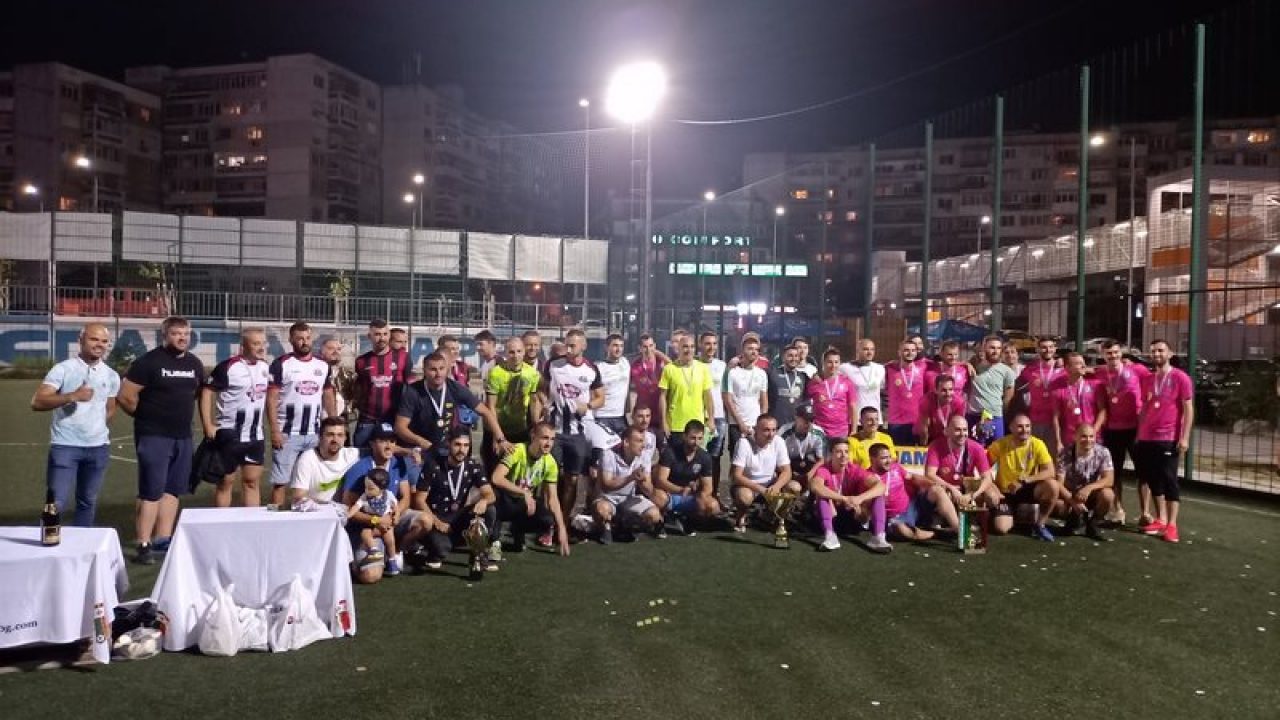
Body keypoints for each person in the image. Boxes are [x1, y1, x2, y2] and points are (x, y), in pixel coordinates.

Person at [117, 316, 205, 565]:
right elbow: (125, 396)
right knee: (151, 491)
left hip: (182, 436)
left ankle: (163, 539)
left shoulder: (194, 363)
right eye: (176, 333)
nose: (182, 338)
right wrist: (146, 417)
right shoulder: (148, 362)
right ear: (164, 335)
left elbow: (196, 393)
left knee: (173, 490)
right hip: (154, 435)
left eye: (185, 334)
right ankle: (143, 544)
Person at [31, 323, 119, 527]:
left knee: (87, 501)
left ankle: (83, 542)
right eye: (94, 339)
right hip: (65, 446)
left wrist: (95, 428)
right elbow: (37, 402)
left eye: (104, 341)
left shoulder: (111, 375)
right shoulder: (63, 369)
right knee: (56, 503)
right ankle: (49, 541)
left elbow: (110, 408)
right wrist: (72, 396)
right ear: (81, 340)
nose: (99, 345)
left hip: (98, 448)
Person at [339, 422, 431, 580]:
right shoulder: (359, 469)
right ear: (372, 444)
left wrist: (396, 513)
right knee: (370, 576)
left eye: (392, 441)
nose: (389, 446)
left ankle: (396, 552)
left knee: (426, 520)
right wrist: (376, 520)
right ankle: (358, 559)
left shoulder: (398, 463)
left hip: (390, 518)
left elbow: (406, 497)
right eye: (382, 441)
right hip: (367, 527)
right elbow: (347, 509)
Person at [396, 351, 509, 472]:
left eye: (441, 369)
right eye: (433, 369)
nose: (438, 374)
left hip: (445, 448)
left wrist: (500, 439)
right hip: (418, 449)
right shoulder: (412, 391)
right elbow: (400, 428)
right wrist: (421, 442)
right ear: (424, 370)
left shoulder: (455, 388)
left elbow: (486, 412)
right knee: (416, 481)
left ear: (447, 369)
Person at [266, 322, 336, 507]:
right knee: (280, 482)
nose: (305, 342)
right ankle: (275, 517)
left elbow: (328, 394)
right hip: (287, 434)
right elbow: (271, 399)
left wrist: (334, 422)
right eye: (300, 338)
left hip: (314, 433)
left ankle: (309, 516)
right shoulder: (281, 364)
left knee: (313, 480)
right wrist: (274, 430)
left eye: (307, 338)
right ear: (291, 340)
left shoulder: (322, 365)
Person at [200, 328, 269, 507]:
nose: (261, 347)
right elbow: (206, 392)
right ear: (243, 346)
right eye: (256, 343)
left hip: (255, 436)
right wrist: (208, 425)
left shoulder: (265, 367)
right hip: (229, 434)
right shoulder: (228, 367)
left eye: (263, 343)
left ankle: (251, 522)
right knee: (225, 482)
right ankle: (222, 521)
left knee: (252, 482)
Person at [412, 429, 498, 572]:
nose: (462, 450)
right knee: (442, 549)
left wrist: (484, 501)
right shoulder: (433, 465)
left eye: (466, 445)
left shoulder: (473, 466)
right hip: (436, 518)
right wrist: (436, 521)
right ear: (448, 444)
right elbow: (419, 500)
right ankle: (431, 551)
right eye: (457, 444)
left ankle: (478, 554)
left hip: (457, 517)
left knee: (490, 509)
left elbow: (490, 494)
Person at [542, 328, 605, 522]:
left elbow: (601, 397)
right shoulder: (553, 364)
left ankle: (564, 520)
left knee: (572, 479)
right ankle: (548, 522)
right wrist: (544, 403)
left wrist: (588, 406)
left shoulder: (591, 369)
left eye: (572, 346)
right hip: (554, 431)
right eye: (566, 345)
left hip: (577, 433)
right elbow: (541, 388)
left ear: (583, 346)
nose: (568, 349)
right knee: (549, 477)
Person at [1134, 339, 1194, 543]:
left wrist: (1185, 437)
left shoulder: (1180, 377)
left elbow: (1188, 408)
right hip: (1147, 437)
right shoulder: (1148, 379)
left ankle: (1172, 526)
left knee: (1169, 480)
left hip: (1168, 437)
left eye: (1160, 351)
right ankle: (1161, 519)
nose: (1157, 354)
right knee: (1153, 479)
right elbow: (1145, 407)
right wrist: (1139, 433)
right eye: (1153, 351)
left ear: (1170, 353)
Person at [490, 423, 570, 556]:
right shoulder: (517, 450)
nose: (549, 443)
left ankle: (517, 530)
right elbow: (496, 478)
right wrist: (523, 492)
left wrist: (562, 529)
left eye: (552, 439)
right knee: (493, 501)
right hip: (505, 498)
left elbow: (553, 499)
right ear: (533, 436)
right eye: (544, 438)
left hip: (523, 502)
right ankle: (494, 540)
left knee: (547, 520)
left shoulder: (550, 462)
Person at [1095, 340, 1146, 524]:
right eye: (1109, 353)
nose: (1113, 356)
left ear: (1121, 353)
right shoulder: (1100, 372)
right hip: (1112, 430)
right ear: (1102, 355)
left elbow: (1153, 383)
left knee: (1143, 472)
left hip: (1135, 429)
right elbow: (1082, 371)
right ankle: (1118, 510)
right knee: (1114, 473)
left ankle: (1145, 512)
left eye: (1116, 352)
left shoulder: (1138, 370)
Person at [985, 414, 1059, 540]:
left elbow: (1050, 471)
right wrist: (993, 488)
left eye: (1027, 426)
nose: (1024, 430)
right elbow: (984, 468)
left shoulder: (1038, 444)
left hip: (1028, 489)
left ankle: (1040, 524)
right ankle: (1000, 514)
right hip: (1006, 493)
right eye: (1020, 426)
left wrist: (1025, 480)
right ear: (1011, 428)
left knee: (1052, 486)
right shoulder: (1000, 445)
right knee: (1001, 528)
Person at [730, 414, 801, 532]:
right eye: (766, 430)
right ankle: (741, 516)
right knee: (745, 497)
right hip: (747, 486)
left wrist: (776, 486)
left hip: (770, 485)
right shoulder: (743, 443)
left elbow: (787, 471)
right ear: (756, 429)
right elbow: (736, 475)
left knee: (794, 487)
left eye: (774, 430)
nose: (771, 434)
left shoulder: (778, 441)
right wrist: (760, 489)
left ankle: (768, 515)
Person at [593, 426, 663, 544]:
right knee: (602, 510)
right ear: (626, 442)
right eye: (639, 441)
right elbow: (607, 485)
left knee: (655, 515)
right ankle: (608, 527)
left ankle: (623, 524)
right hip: (607, 498)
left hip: (628, 498)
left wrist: (642, 482)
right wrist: (630, 477)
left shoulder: (644, 456)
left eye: (643, 441)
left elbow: (650, 491)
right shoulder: (608, 454)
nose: (643, 445)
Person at [922, 414, 990, 534]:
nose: (962, 434)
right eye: (957, 430)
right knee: (937, 490)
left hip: (966, 490)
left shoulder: (976, 448)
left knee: (991, 493)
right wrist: (951, 488)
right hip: (944, 490)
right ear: (947, 431)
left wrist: (972, 495)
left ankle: (978, 518)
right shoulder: (936, 446)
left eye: (965, 430)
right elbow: (929, 474)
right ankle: (955, 526)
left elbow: (987, 478)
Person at [352, 318, 413, 451]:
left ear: (389, 335)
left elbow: (410, 386)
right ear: (369, 336)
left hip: (392, 419)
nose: (382, 338)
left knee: (392, 456)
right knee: (360, 454)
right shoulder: (361, 361)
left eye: (385, 334)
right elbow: (359, 389)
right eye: (377, 334)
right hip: (367, 419)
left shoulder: (403, 357)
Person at [652, 420, 720, 535]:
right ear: (684, 436)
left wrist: (701, 496)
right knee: (657, 496)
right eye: (692, 438)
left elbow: (708, 487)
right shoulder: (670, 452)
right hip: (670, 494)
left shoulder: (705, 457)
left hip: (690, 496)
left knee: (713, 506)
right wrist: (680, 490)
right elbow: (660, 480)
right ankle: (662, 520)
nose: (696, 442)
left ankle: (689, 520)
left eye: (700, 438)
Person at [484, 337, 542, 472]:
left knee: (518, 470)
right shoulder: (495, 373)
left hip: (520, 429)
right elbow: (491, 406)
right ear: (505, 353)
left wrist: (536, 427)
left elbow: (534, 401)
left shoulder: (532, 373)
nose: (515, 356)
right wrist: (497, 437)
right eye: (511, 352)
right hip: (498, 428)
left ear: (524, 352)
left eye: (519, 351)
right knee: (494, 470)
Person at [1056, 424, 1114, 541]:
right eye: (1084, 436)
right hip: (1070, 494)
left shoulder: (1103, 452)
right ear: (1075, 437)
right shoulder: (1065, 453)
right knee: (1057, 505)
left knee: (1108, 495)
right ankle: (1073, 518)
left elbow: (1109, 479)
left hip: (1091, 493)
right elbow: (1059, 483)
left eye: (1091, 436)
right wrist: (1073, 502)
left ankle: (1093, 523)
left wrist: (1089, 488)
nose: (1088, 440)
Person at [659, 333, 715, 450]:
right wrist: (664, 422)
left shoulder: (703, 368)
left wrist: (711, 419)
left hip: (697, 425)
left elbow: (708, 396)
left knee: (696, 459)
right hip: (676, 425)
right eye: (685, 346)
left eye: (692, 347)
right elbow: (662, 397)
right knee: (676, 459)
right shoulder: (669, 369)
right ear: (678, 348)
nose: (689, 350)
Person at [722, 335, 769, 459]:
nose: (754, 352)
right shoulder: (731, 372)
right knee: (737, 461)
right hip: (736, 425)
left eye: (756, 349)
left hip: (756, 425)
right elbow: (728, 400)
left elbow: (764, 401)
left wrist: (762, 423)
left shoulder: (762, 374)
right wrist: (740, 423)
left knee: (756, 460)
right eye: (750, 348)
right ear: (742, 351)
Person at [1052, 352, 1107, 457]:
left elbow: (1102, 410)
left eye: (1083, 363)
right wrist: (1058, 441)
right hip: (1070, 438)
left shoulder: (1095, 385)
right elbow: (1056, 417)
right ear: (1067, 367)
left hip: (1093, 437)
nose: (1083, 366)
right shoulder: (1059, 390)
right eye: (1078, 363)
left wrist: (1093, 431)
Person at [1018, 337, 1066, 456]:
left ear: (1055, 349)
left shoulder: (1064, 370)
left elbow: (1082, 370)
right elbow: (1015, 383)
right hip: (1035, 421)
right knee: (1034, 456)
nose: (1048, 350)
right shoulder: (1030, 369)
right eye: (1044, 347)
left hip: (1056, 422)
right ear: (1037, 350)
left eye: (1051, 347)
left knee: (1054, 456)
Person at [967, 336, 1016, 445]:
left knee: (996, 449)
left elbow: (1008, 397)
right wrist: (967, 364)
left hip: (995, 416)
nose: (995, 351)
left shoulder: (1007, 371)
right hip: (975, 416)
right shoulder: (973, 367)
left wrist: (999, 409)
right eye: (992, 348)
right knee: (975, 450)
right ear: (984, 348)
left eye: (998, 348)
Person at [698, 331, 729, 493]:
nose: (711, 347)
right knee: (698, 457)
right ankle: (699, 494)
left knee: (715, 458)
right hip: (700, 418)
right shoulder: (694, 365)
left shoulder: (722, 366)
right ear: (700, 345)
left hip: (719, 418)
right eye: (707, 343)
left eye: (714, 344)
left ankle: (714, 494)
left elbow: (726, 393)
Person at [351, 469, 398, 573]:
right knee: (365, 533)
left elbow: (395, 505)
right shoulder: (364, 497)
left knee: (390, 539)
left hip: (386, 523)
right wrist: (349, 514)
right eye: (366, 487)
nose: (367, 491)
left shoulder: (388, 495)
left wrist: (396, 515)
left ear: (382, 488)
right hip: (370, 523)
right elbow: (356, 506)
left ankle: (392, 559)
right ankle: (374, 550)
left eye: (371, 488)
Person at [806, 348, 857, 439]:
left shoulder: (847, 382)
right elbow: (805, 403)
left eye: (836, 362)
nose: (833, 365)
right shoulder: (814, 382)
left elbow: (852, 406)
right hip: (819, 431)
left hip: (841, 431)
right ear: (823, 363)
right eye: (830, 362)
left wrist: (854, 430)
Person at [884, 339, 925, 446]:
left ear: (916, 352)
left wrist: (964, 364)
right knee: (896, 454)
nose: (910, 353)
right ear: (899, 352)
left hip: (917, 422)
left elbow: (945, 362)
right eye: (906, 350)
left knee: (916, 455)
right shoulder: (889, 369)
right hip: (896, 422)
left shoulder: (923, 367)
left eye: (913, 350)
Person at [595, 333, 632, 436]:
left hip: (620, 417)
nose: (618, 349)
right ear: (606, 347)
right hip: (602, 416)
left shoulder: (625, 363)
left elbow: (648, 353)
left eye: (621, 346)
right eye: (615, 345)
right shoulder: (599, 367)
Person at [629, 333, 666, 434]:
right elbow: (629, 390)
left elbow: (675, 369)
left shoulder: (662, 362)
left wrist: (660, 354)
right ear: (639, 348)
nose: (648, 349)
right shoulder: (634, 366)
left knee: (661, 441)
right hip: (643, 415)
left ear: (655, 346)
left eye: (651, 346)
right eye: (645, 347)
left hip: (660, 413)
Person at [916, 374, 966, 446]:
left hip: (949, 437)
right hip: (930, 437)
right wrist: (923, 448)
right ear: (936, 390)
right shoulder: (926, 401)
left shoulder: (959, 403)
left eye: (951, 389)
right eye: (944, 390)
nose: (948, 393)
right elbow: (924, 430)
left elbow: (957, 427)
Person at [780, 405, 827, 480]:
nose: (809, 423)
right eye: (805, 419)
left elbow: (821, 460)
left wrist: (809, 474)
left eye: (811, 420)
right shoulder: (783, 433)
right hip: (789, 467)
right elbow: (778, 460)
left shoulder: (819, 433)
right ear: (796, 417)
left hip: (810, 467)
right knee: (794, 486)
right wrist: (790, 474)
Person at [767, 345, 810, 428]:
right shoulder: (772, 373)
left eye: (796, 356)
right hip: (776, 425)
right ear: (783, 358)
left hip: (795, 426)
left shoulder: (804, 377)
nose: (794, 359)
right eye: (790, 356)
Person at [840, 339, 885, 416]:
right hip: (856, 417)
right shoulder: (845, 368)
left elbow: (883, 390)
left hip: (875, 417)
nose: (869, 352)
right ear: (858, 351)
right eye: (865, 349)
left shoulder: (880, 368)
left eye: (872, 349)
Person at [320, 337, 354, 424]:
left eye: (338, 349)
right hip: (319, 420)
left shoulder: (348, 374)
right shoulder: (316, 372)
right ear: (321, 352)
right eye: (331, 348)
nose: (336, 352)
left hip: (342, 420)